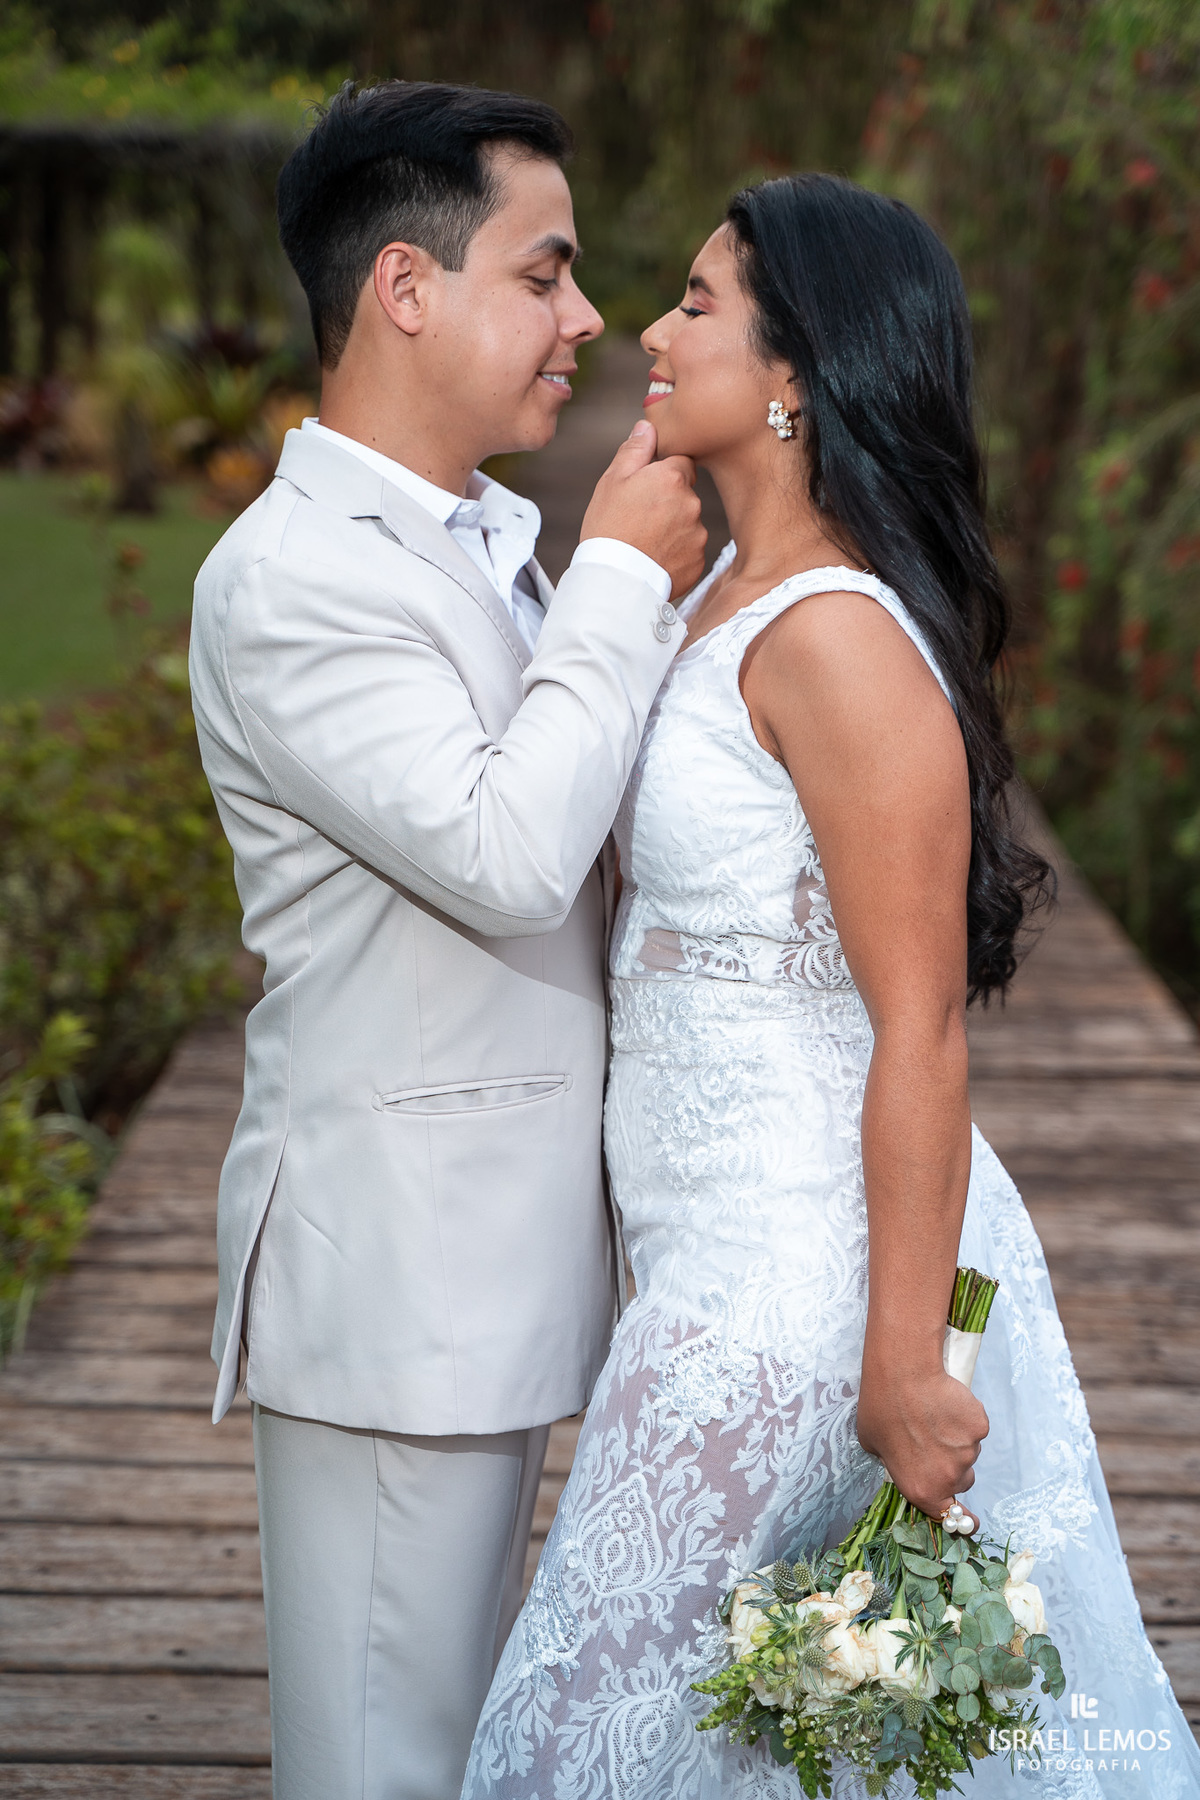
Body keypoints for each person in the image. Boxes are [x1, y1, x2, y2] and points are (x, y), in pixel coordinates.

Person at [463, 174, 1200, 1798]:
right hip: (699, 1259)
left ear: (797, 372)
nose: (649, 331)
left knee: (570, 1745)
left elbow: (921, 1024)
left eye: (700, 304)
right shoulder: (711, 600)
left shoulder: (836, 640)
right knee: (719, 1746)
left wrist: (908, 1364)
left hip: (793, 1282)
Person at [188, 79, 706, 1800]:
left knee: (464, 1749)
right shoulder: (294, 578)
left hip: (494, 1270)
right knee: (383, 1766)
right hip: (399, 1285)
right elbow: (503, 854)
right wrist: (621, 577)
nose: (587, 319)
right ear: (406, 289)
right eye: (544, 274)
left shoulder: (480, 544)